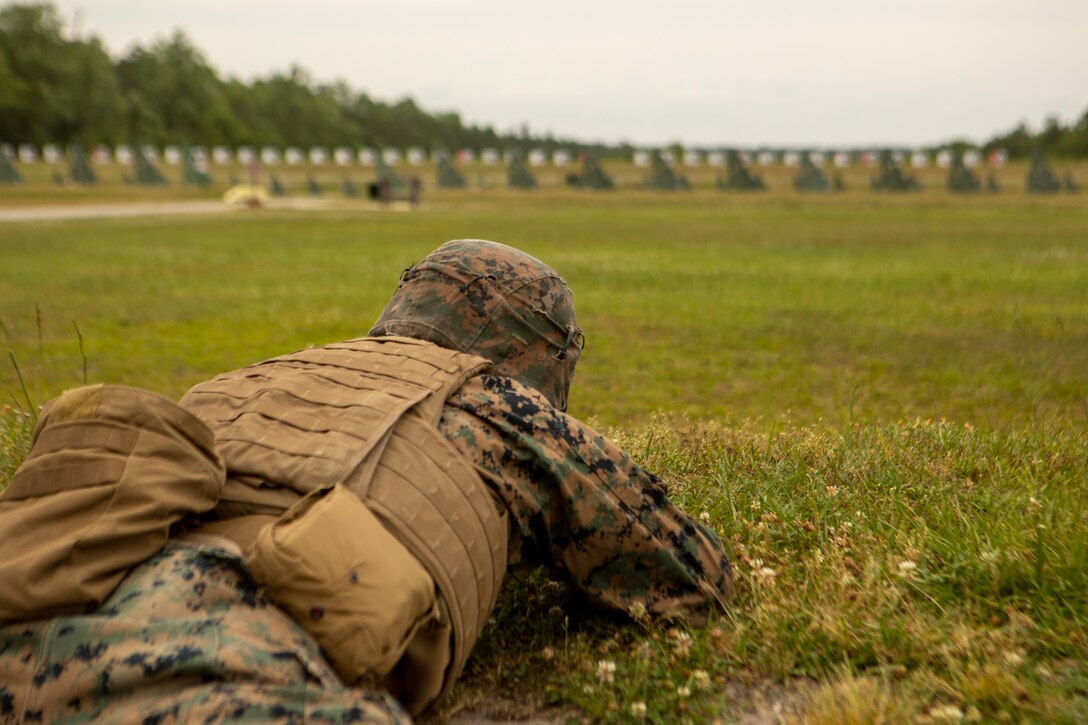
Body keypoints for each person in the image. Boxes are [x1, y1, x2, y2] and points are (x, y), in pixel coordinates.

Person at [0, 239, 732, 723]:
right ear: (543, 354)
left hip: (48, 610)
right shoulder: (505, 406)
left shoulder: (270, 370)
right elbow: (688, 578)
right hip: (228, 665)